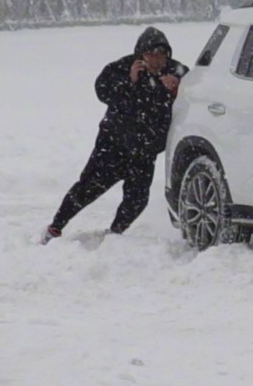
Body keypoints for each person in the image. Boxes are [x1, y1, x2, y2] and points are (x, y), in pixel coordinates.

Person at [43, 26, 188, 243]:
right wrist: (129, 82)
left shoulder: (178, 73)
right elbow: (102, 91)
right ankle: (55, 228)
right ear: (140, 55)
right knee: (87, 188)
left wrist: (178, 90)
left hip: (145, 150)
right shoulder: (121, 68)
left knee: (137, 199)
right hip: (113, 144)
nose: (156, 60)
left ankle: (115, 234)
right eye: (150, 55)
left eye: (161, 55)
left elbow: (198, 101)